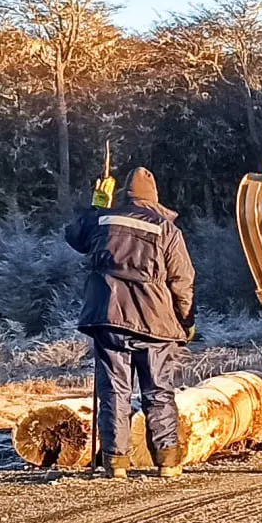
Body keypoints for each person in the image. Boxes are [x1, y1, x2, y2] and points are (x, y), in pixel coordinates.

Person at [65, 167, 196, 480]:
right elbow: (182, 280)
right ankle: (167, 462)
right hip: (155, 322)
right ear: (153, 199)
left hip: (108, 319)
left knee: (113, 392)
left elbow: (74, 236)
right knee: (158, 392)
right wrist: (187, 320)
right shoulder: (166, 230)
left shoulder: (102, 221)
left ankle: (116, 462)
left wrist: (98, 203)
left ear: (124, 194)